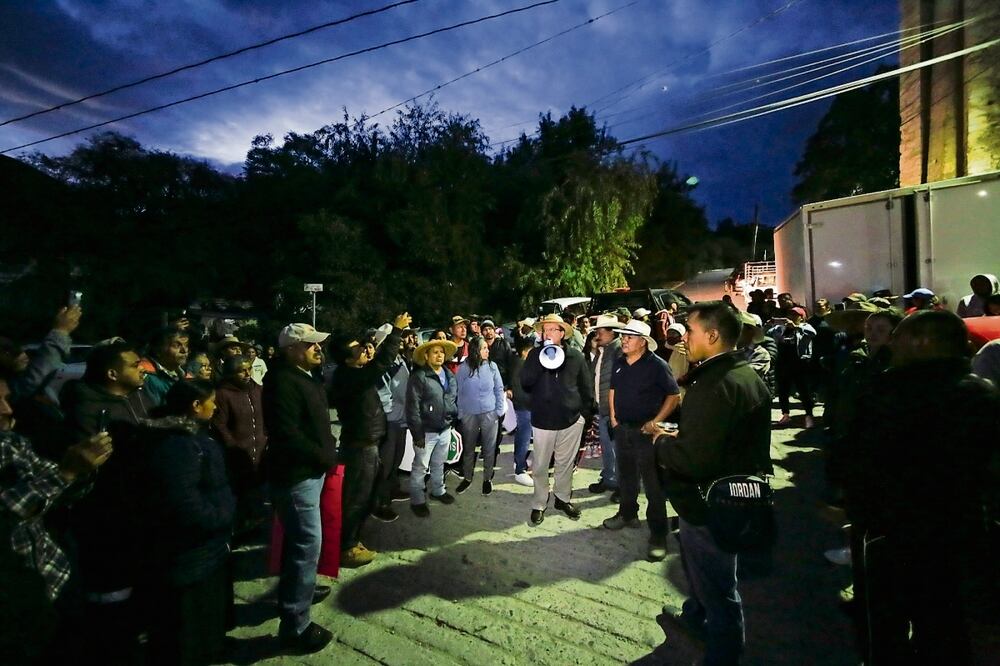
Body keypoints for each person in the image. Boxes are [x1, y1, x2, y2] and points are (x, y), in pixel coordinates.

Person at [841, 311, 1000, 664]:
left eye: (898, 336)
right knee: (946, 623)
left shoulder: (885, 393)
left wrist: (854, 507)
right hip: (958, 534)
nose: (892, 344)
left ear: (922, 342)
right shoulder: (982, 394)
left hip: (889, 532)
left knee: (884, 628)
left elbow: (855, 459)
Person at [654, 301, 772, 666]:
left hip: (710, 503)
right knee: (706, 573)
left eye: (689, 330)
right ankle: (693, 615)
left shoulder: (716, 384)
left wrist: (662, 442)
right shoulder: (744, 375)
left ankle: (724, 654)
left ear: (713, 335)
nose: (683, 337)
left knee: (720, 589)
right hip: (734, 498)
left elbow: (695, 458)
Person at [0, 372, 113, 664]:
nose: (7, 410)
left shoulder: (11, 442)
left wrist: (84, 470)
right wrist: (67, 473)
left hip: (53, 578)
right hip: (14, 602)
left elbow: (56, 492)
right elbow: (10, 509)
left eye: (6, 399)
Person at [141, 380, 235, 665]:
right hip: (193, 548)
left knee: (206, 611)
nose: (216, 406)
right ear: (196, 406)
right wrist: (219, 517)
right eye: (211, 401)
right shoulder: (179, 445)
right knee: (188, 622)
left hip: (206, 546)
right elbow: (183, 501)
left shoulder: (193, 435)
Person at [261, 323, 337, 654]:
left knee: (301, 544)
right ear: (292, 349)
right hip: (296, 476)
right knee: (306, 544)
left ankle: (298, 594)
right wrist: (324, 456)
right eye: (310, 345)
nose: (318, 349)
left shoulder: (305, 376)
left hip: (310, 472)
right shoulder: (281, 382)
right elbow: (289, 434)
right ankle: (295, 623)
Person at [329, 314, 410, 565]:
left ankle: (353, 539)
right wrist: (396, 331)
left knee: (364, 496)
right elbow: (383, 362)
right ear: (345, 357)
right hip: (360, 448)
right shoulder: (350, 377)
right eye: (357, 348)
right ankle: (347, 546)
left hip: (369, 445)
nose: (364, 350)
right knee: (356, 499)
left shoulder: (356, 373)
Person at [603, 320, 680, 562]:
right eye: (623, 336)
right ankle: (627, 514)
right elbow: (613, 390)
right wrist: (614, 419)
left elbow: (674, 395)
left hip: (647, 433)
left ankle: (658, 535)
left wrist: (656, 421)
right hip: (623, 429)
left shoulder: (657, 366)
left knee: (653, 485)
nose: (624, 340)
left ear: (643, 342)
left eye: (630, 337)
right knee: (626, 477)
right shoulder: (619, 363)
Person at [520, 314, 595, 526]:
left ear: (562, 333)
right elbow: (525, 382)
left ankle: (562, 499)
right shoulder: (535, 355)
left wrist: (584, 416)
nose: (549, 333)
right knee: (541, 465)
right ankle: (539, 503)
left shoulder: (576, 357)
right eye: (546, 330)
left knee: (565, 463)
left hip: (571, 420)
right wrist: (540, 360)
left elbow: (586, 388)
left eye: (554, 329)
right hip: (543, 421)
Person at [212, 356, 268, 536]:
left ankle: (256, 523)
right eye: (241, 370)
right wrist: (232, 446)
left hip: (259, 450)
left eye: (248, 369)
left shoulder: (257, 390)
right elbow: (220, 424)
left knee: (257, 489)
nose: (246, 374)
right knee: (241, 492)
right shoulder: (223, 394)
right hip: (237, 454)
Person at [406, 339, 459, 516]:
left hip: (444, 428)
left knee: (439, 463)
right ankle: (417, 499)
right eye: (434, 352)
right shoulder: (419, 376)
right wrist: (417, 433)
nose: (439, 355)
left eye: (441, 352)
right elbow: (412, 407)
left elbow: (450, 400)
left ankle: (438, 491)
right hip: (426, 432)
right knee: (420, 467)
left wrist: (451, 418)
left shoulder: (449, 375)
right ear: (426, 356)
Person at [371, 324, 412, 522]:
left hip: (402, 417)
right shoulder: (381, 364)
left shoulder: (399, 358)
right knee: (386, 463)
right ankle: (379, 503)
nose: (403, 340)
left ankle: (392, 489)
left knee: (397, 458)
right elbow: (383, 393)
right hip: (391, 419)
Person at [455, 335, 505, 495]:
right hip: (469, 414)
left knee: (489, 448)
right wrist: (461, 413)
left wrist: (498, 411)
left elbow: (499, 389)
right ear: (476, 350)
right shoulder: (463, 368)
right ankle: (467, 477)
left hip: (490, 413)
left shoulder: (492, 366)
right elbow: (458, 391)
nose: (487, 350)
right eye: (484, 348)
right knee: (468, 448)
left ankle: (487, 478)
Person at [587, 314, 623, 501]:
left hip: (614, 409)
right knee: (607, 447)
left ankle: (621, 484)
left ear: (612, 332)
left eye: (601, 331)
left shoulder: (618, 350)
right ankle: (609, 478)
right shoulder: (603, 351)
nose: (597, 335)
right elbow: (594, 374)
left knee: (618, 449)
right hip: (602, 408)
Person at [768, 307, 817, 428]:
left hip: (799, 363)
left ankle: (809, 415)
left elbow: (813, 333)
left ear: (802, 317)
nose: (792, 317)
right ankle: (785, 414)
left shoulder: (805, 327)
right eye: (790, 314)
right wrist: (770, 324)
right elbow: (768, 334)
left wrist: (795, 327)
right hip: (783, 363)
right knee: (783, 391)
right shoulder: (781, 328)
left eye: (795, 315)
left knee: (803, 390)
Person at [508, 338, 534, 487]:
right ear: (524, 352)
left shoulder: (519, 363)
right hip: (525, 407)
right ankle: (520, 469)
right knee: (524, 438)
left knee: (522, 437)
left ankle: (519, 461)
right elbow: (521, 390)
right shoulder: (523, 365)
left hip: (523, 406)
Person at [143, 327, 191, 407]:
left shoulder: (184, 375)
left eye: (186, 345)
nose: (184, 350)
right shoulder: (147, 376)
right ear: (158, 350)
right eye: (176, 345)